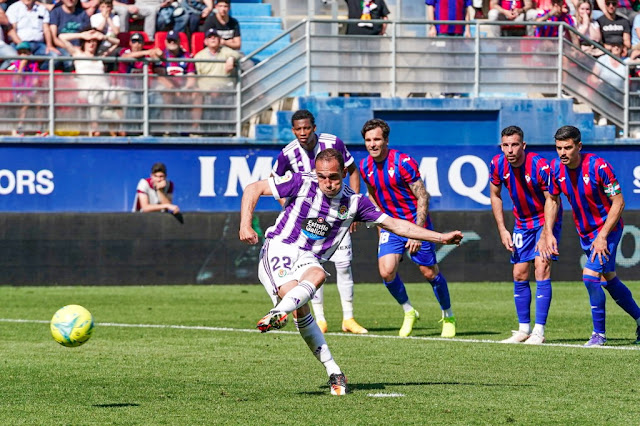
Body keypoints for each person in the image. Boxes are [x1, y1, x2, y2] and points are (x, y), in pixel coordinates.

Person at [239, 148, 463, 396]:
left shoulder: (355, 203)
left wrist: (440, 237)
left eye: (334, 177)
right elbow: (253, 188)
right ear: (316, 173)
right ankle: (282, 313)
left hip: (310, 257)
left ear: (345, 173)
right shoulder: (301, 181)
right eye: (322, 176)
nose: (328, 183)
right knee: (295, 300)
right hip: (280, 247)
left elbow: (396, 225)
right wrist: (245, 225)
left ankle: (329, 366)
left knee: (318, 278)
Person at [537, 125, 640, 346]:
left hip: (608, 230)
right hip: (585, 233)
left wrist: (602, 235)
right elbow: (552, 200)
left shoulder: (598, 166)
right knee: (608, 279)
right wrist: (547, 232)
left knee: (590, 276)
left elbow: (619, 202)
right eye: (558, 148)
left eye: (567, 147)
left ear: (579, 146)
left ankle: (599, 335)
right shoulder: (555, 169)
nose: (562, 153)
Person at [270, 109, 366, 335]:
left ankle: (349, 319)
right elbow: (274, 179)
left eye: (306, 128)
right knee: (312, 266)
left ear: (314, 127)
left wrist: (353, 205)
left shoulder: (333, 143)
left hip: (338, 214)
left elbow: (352, 170)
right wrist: (288, 204)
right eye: (298, 129)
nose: (303, 133)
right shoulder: (287, 154)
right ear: (293, 131)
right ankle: (320, 319)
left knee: (343, 265)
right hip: (308, 219)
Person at [358, 118, 457, 338]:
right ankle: (409, 311)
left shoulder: (403, 162)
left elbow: (422, 196)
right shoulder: (365, 166)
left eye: (377, 139)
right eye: (368, 140)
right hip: (391, 227)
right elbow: (372, 195)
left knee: (429, 272)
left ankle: (448, 315)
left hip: (414, 224)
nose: (372, 144)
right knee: (386, 271)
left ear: (386, 140)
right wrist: (380, 226)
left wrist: (417, 232)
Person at [489, 126, 562, 345]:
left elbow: (553, 200)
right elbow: (495, 195)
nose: (510, 150)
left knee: (541, 266)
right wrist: (502, 229)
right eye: (505, 145)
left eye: (514, 144)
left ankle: (539, 331)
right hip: (522, 223)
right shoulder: (496, 164)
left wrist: (546, 233)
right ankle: (523, 330)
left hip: (545, 219)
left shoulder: (539, 165)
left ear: (523, 145)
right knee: (520, 272)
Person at [58, 29, 121, 136]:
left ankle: (126, 129)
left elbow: (117, 42)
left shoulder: (100, 56)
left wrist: (104, 37)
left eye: (94, 41)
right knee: (96, 92)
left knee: (123, 92)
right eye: (89, 41)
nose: (91, 44)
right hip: (86, 89)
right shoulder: (77, 53)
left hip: (105, 89)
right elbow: (61, 37)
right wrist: (82, 35)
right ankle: (95, 128)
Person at [192, 27, 241, 134]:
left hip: (224, 86)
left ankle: (225, 129)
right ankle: (202, 129)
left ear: (219, 40)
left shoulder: (225, 51)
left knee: (224, 94)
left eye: (215, 37)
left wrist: (231, 58)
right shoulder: (199, 56)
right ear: (205, 41)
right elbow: (198, 76)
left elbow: (238, 54)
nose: (213, 39)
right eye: (210, 37)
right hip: (206, 88)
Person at [153, 29, 197, 135]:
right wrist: (172, 88)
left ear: (179, 41)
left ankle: (195, 129)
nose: (172, 43)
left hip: (183, 86)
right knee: (167, 94)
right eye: (170, 40)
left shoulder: (187, 56)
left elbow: (191, 76)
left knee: (197, 93)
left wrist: (186, 88)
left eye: (174, 40)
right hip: (167, 87)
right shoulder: (162, 56)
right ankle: (168, 128)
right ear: (165, 42)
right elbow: (160, 76)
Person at [5, 0, 60, 70]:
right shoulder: (14, 8)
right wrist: (22, 45)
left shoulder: (42, 9)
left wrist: (49, 45)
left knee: (55, 57)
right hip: (19, 44)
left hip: (38, 45)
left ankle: (39, 72)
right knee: (14, 58)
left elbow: (46, 29)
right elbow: (11, 31)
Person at [8, 41, 44, 136]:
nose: (23, 55)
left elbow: (35, 79)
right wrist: (21, 67)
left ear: (29, 53)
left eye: (25, 52)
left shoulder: (33, 64)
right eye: (21, 53)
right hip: (19, 91)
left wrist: (35, 82)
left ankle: (40, 128)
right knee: (26, 102)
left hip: (31, 90)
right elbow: (17, 79)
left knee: (39, 102)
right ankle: (19, 127)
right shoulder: (15, 64)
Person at [49, 0, 91, 71]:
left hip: (80, 48)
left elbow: (87, 35)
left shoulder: (83, 14)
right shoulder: (56, 13)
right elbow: (54, 39)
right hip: (62, 47)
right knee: (69, 61)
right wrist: (71, 48)